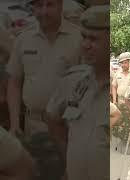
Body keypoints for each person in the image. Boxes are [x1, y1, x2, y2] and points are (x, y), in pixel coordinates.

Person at [46, 5, 109, 180]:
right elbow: (53, 119)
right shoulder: (73, 81)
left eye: (94, 39)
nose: (85, 45)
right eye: (84, 37)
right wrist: (70, 157)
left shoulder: (122, 87)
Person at [6, 0, 82, 137]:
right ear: (33, 8)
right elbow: (14, 82)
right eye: (39, 5)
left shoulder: (79, 39)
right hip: (34, 125)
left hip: (68, 126)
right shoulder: (23, 39)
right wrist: (15, 124)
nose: (44, 11)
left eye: (50, 4)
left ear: (60, 5)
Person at [112, 52, 130, 153]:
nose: (123, 65)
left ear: (129, 62)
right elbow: (114, 86)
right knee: (121, 122)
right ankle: (123, 140)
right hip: (120, 101)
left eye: (125, 62)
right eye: (121, 63)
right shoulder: (117, 74)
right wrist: (114, 100)